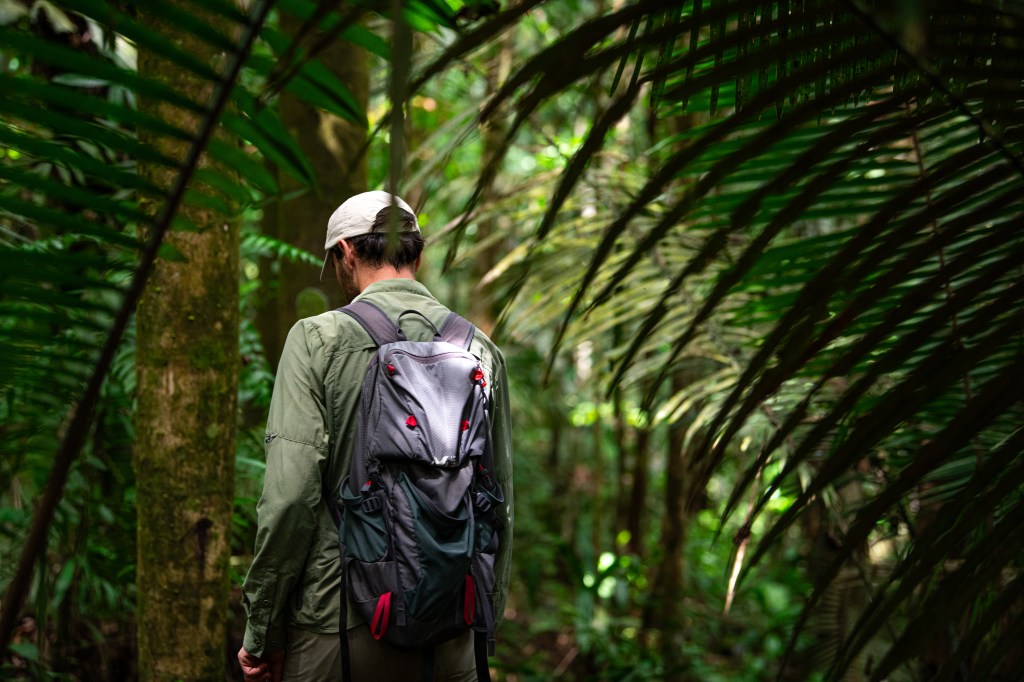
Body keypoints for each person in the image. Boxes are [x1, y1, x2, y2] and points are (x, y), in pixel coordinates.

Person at [237, 191, 513, 682]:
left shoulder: (317, 339)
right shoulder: (479, 348)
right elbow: (498, 501)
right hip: (453, 631)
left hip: (339, 627)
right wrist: (483, 626)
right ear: (418, 253)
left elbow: (289, 499)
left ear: (345, 252)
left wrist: (263, 631)